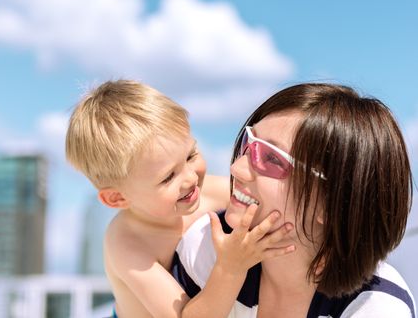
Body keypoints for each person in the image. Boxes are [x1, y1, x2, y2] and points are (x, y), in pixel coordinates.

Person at [173, 83, 416, 317]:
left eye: (272, 159)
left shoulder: (377, 306)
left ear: (332, 204)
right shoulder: (208, 246)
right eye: (248, 143)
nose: (237, 168)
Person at [65, 79, 295, 318]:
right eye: (167, 178)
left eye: (191, 155)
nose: (189, 178)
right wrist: (231, 267)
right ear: (117, 198)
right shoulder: (127, 242)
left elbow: (271, 207)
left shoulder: (210, 192)